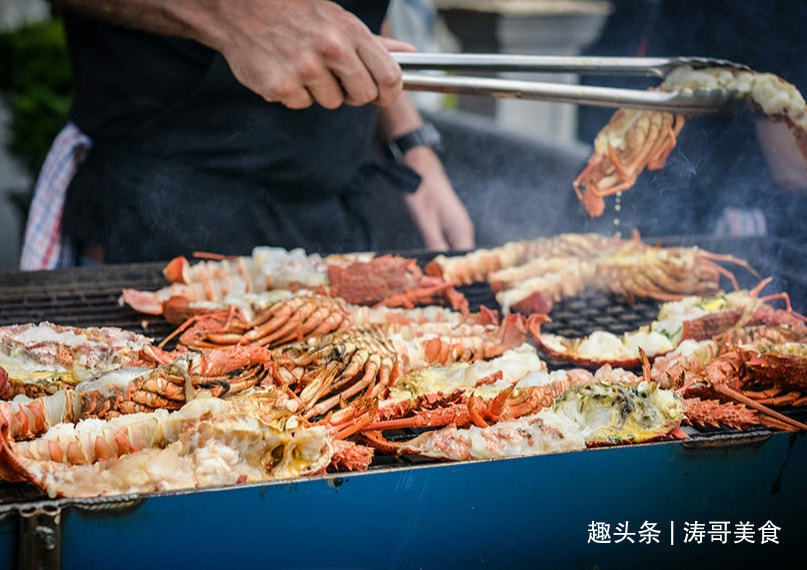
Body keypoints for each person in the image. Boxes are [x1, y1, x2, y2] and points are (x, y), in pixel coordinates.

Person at [20, 0, 474, 269]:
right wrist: (236, 15)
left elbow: (360, 21)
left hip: (337, 208)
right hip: (156, 215)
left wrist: (411, 145)